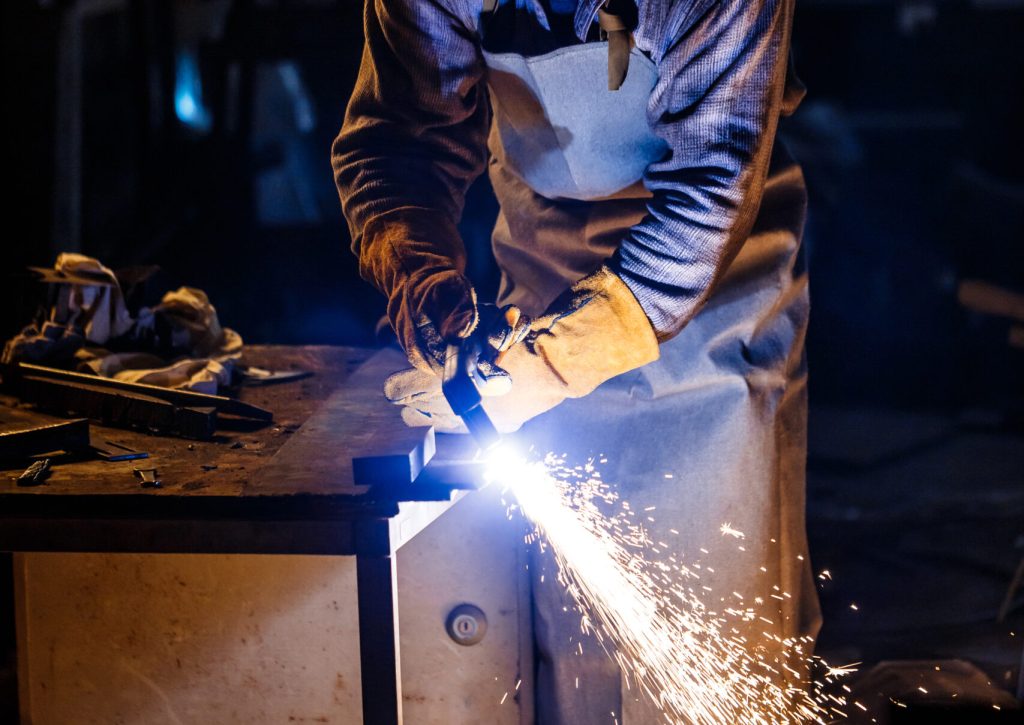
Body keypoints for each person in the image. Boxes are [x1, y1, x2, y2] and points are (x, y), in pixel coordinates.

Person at [333, 1, 821, 721]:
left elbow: (712, 189)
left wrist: (551, 365)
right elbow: (399, 139)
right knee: (572, 644)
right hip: (543, 249)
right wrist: (416, 268)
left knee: (727, 610)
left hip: (716, 289)